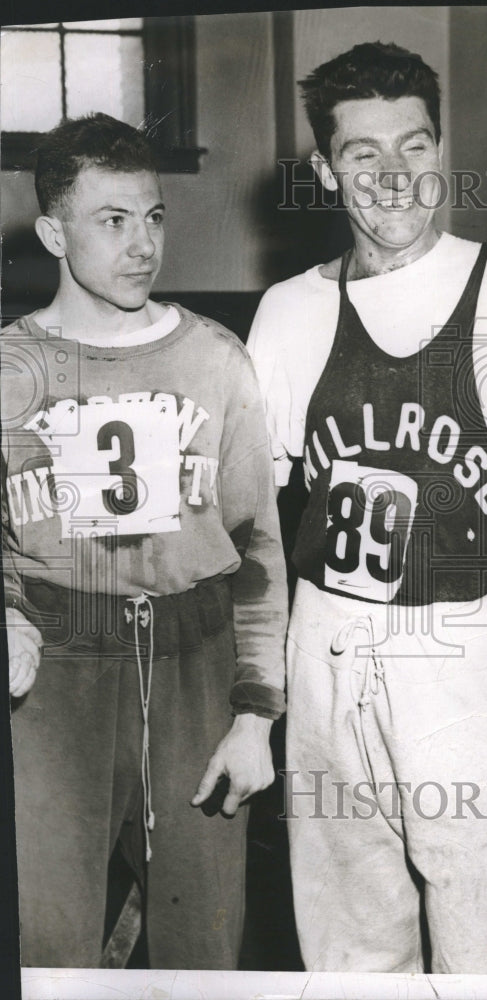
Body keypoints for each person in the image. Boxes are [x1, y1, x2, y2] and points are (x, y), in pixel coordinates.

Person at [246, 42, 487, 974]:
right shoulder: (284, 312)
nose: (394, 177)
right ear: (324, 170)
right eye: (363, 154)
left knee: (481, 930)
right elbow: (255, 527)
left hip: (466, 640)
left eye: (415, 146)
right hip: (325, 639)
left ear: (443, 149)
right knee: (347, 931)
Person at [1, 113, 288, 969]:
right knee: (52, 946)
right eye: (112, 221)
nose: (142, 245)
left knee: (202, 948)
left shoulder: (215, 358)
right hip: (53, 682)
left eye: (154, 217)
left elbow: (260, 551)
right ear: (54, 231)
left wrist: (256, 715)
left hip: (195, 665)